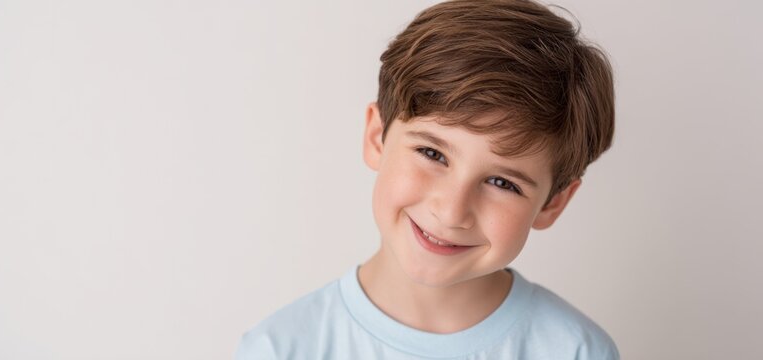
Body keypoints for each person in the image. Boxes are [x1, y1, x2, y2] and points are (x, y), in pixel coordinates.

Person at [236, 0, 618, 358]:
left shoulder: (575, 351)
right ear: (376, 137)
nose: (452, 212)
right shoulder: (280, 349)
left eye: (503, 183)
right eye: (432, 154)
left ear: (553, 202)